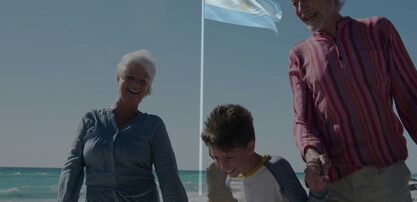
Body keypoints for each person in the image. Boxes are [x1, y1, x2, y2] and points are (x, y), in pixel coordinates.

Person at [288, 0, 417, 201]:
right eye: (294, 3)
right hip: (334, 184)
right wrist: (312, 155)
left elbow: (413, 99)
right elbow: (302, 120)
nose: (300, 9)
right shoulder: (299, 55)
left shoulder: (378, 30)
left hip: (386, 178)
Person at [58, 50, 188, 202]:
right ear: (118, 78)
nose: (135, 84)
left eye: (143, 80)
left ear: (148, 87)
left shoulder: (154, 126)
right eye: (130, 77)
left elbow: (168, 175)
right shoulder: (90, 120)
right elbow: (72, 168)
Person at [201, 104, 327, 202]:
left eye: (229, 157)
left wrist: (317, 191)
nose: (223, 166)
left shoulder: (277, 168)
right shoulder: (230, 180)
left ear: (250, 147)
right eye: (215, 157)